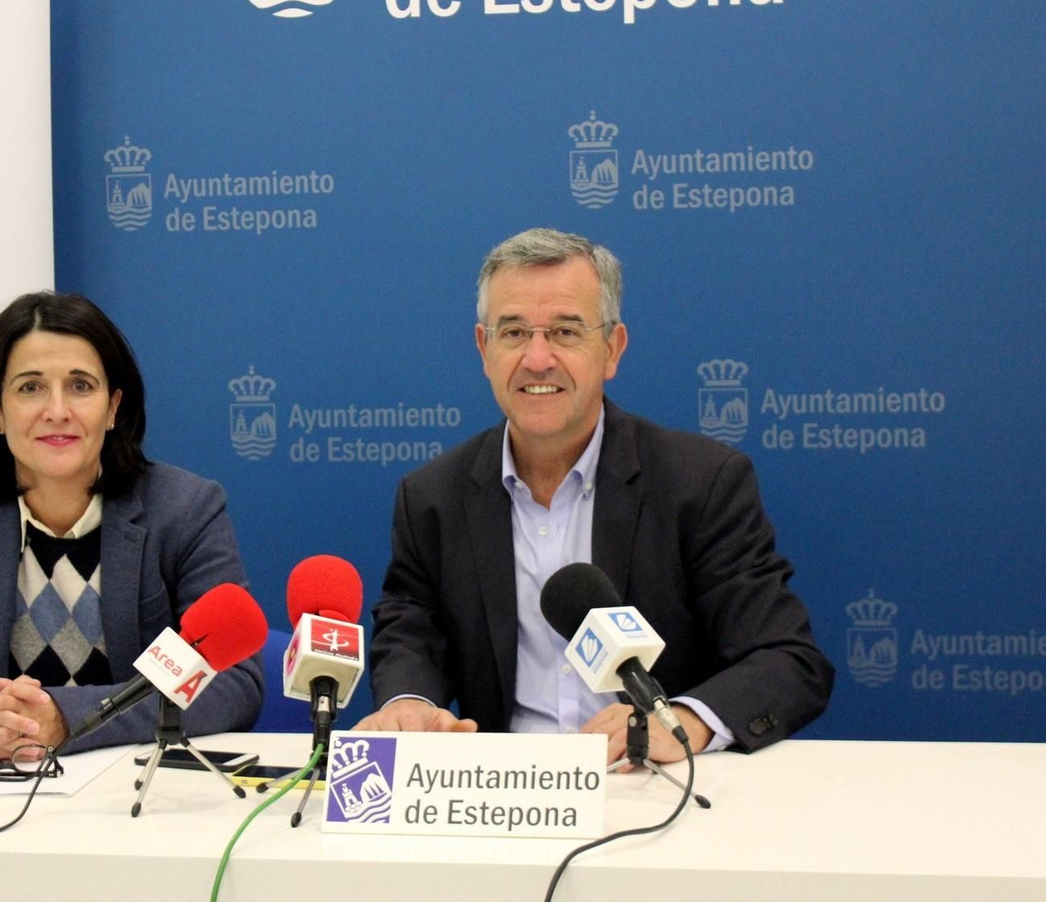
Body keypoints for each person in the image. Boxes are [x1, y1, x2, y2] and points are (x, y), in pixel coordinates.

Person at [356, 228, 833, 765]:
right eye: (514, 333)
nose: (538, 359)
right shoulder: (432, 497)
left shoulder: (700, 484)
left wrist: (684, 721)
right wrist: (410, 703)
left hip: (650, 784)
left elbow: (787, 660)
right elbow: (411, 634)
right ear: (484, 350)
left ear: (612, 349)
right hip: (498, 796)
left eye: (565, 331)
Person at [0, 291, 263, 757]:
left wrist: (65, 717)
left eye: (80, 386)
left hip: (138, 791)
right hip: (3, 784)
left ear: (114, 407)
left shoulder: (184, 509)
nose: (57, 410)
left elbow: (234, 683)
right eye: (30, 388)